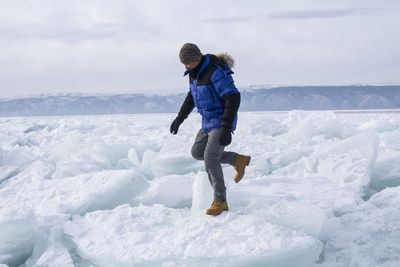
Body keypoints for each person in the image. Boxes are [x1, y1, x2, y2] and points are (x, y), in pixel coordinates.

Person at [170, 43, 251, 216]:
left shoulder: (216, 72)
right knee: (197, 152)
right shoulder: (194, 74)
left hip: (221, 121)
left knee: (210, 158)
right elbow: (192, 96)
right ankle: (237, 160)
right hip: (208, 121)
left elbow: (233, 97)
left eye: (189, 62)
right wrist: (179, 118)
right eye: (184, 63)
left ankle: (220, 201)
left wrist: (227, 128)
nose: (186, 66)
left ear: (197, 59)